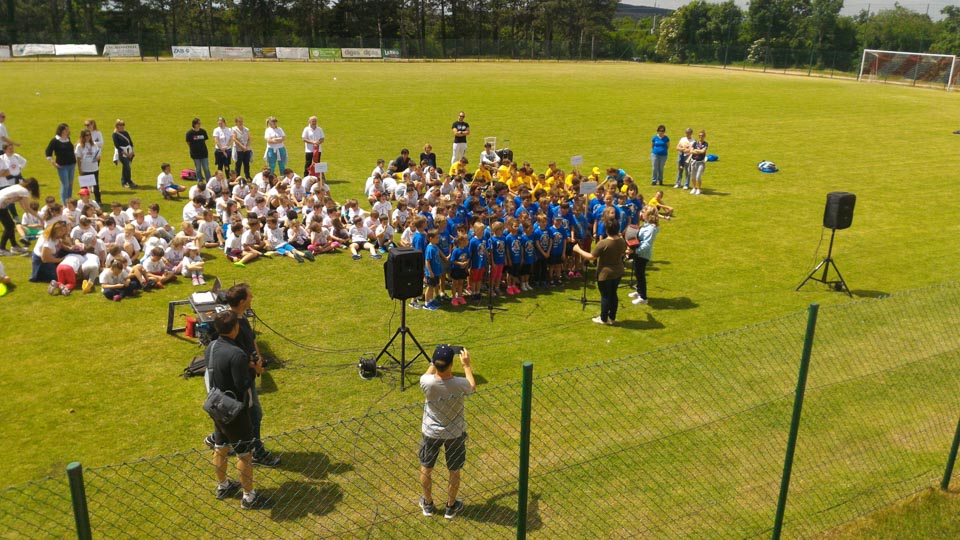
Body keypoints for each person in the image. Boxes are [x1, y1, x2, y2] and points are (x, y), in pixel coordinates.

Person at [205, 310, 271, 510]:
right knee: (245, 454)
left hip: (216, 405)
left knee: (220, 446)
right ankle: (249, 497)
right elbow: (242, 385)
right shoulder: (237, 354)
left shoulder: (211, 346)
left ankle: (223, 485)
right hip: (235, 411)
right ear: (235, 328)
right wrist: (254, 369)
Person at [419, 345, 475, 520]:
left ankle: (428, 503)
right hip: (455, 433)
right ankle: (450, 506)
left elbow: (429, 373)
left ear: (435, 363)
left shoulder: (426, 381)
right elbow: (472, 386)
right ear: (452, 364)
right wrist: (466, 365)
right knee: (454, 470)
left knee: (426, 467)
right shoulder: (460, 384)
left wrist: (434, 361)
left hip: (431, 432)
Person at [573, 218, 627, 325]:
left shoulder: (603, 243)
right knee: (613, 294)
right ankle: (612, 317)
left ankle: (603, 319)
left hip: (605, 274)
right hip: (618, 271)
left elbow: (591, 257)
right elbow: (623, 252)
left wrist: (578, 250)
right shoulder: (621, 241)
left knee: (605, 296)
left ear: (607, 230)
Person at [0, 177, 40, 255]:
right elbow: (28, 208)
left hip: (2, 206)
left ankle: (14, 246)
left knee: (11, 225)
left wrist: (27, 213)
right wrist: (40, 218)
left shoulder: (19, 187)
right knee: (9, 227)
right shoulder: (24, 191)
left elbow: (23, 205)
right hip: (1, 206)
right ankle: (2, 248)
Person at [630, 209, 659, 305]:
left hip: (643, 254)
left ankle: (643, 297)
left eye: (643, 212)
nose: (641, 213)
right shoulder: (646, 225)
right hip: (639, 253)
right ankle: (639, 291)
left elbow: (646, 244)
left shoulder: (651, 228)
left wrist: (635, 251)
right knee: (637, 273)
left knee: (640, 274)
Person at [45, 123, 77, 204]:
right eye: (66, 129)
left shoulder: (68, 139)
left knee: (70, 184)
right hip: (62, 166)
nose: (68, 131)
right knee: (65, 184)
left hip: (72, 164)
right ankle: (65, 203)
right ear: (61, 131)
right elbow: (48, 152)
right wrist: (53, 162)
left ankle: (70, 200)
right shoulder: (55, 141)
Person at [75, 129, 102, 205]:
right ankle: (84, 201)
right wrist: (80, 169)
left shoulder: (94, 144)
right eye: (86, 135)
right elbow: (78, 159)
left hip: (94, 168)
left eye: (89, 135)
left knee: (96, 186)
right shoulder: (79, 146)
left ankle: (98, 201)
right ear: (83, 136)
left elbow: (98, 154)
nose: (88, 137)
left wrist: (98, 157)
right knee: (84, 187)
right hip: (85, 169)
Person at [186, 118, 211, 183]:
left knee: (206, 168)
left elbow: (204, 141)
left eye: (200, 123)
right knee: (198, 168)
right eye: (198, 123)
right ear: (194, 124)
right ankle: (200, 182)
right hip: (195, 154)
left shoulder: (203, 131)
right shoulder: (189, 133)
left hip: (204, 153)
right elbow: (188, 143)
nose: (199, 125)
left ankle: (209, 182)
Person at [112, 119, 136, 189]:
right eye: (120, 125)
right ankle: (129, 182)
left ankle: (125, 182)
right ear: (117, 126)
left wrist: (131, 152)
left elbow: (130, 143)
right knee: (127, 167)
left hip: (129, 152)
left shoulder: (126, 133)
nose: (122, 126)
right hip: (122, 153)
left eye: (123, 125)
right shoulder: (115, 135)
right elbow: (117, 146)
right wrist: (126, 153)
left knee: (126, 168)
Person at [688, 130, 708, 195]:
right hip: (693, 161)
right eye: (699, 136)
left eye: (702, 136)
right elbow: (691, 151)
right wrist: (698, 151)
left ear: (704, 136)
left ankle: (699, 189)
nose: (700, 137)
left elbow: (703, 151)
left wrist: (696, 150)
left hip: (700, 162)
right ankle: (694, 188)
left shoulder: (705, 144)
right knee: (693, 176)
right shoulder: (695, 143)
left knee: (698, 176)